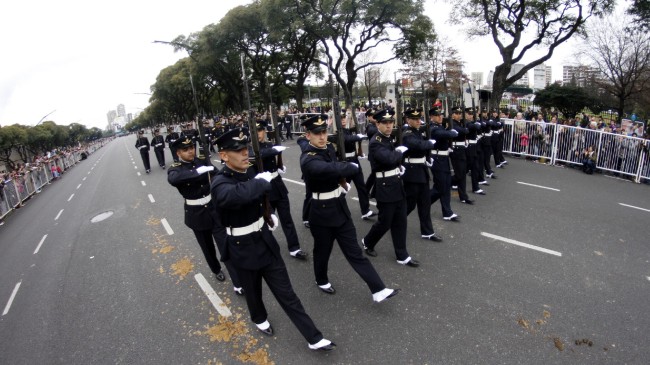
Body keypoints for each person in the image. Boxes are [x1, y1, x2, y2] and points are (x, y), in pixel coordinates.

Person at [211, 128, 335, 351]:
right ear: (224, 156)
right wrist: (260, 182)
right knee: (253, 292)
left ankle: (313, 337)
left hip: (264, 240)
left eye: (245, 149)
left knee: (287, 293)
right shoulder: (220, 181)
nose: (244, 154)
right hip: (241, 248)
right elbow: (235, 196)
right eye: (237, 151)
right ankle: (259, 319)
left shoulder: (250, 170)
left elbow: (261, 194)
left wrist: (267, 216)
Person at [299, 114, 399, 301]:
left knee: (354, 252)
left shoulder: (328, 147)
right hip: (321, 212)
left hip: (339, 207)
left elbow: (336, 167)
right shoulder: (308, 158)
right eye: (317, 133)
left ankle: (378, 290)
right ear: (308, 136)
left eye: (324, 132)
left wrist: (341, 182)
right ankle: (321, 279)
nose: (322, 136)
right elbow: (330, 169)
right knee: (322, 250)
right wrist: (347, 169)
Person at [167, 136, 243, 295]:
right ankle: (216, 269)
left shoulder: (203, 160)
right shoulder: (175, 168)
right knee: (207, 247)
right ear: (178, 153)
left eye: (192, 148)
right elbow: (173, 179)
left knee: (225, 245)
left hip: (213, 209)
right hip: (196, 214)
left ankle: (237, 282)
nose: (190, 151)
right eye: (186, 150)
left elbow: (216, 174)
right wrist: (197, 172)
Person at [361, 109, 420, 268]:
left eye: (390, 122)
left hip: (396, 183)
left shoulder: (387, 138)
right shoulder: (376, 142)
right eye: (385, 123)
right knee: (385, 222)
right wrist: (399, 153)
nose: (388, 126)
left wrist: (398, 168)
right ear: (377, 124)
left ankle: (402, 255)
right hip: (385, 187)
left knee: (401, 221)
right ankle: (368, 241)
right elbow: (387, 158)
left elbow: (392, 161)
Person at [252, 120, 308, 260]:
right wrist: (274, 150)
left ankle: (294, 248)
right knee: (268, 222)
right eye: (255, 131)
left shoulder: (270, 144)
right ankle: (268, 249)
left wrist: (279, 166)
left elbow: (273, 160)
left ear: (264, 131)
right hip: (264, 190)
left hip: (277, 186)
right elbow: (259, 155)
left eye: (260, 131)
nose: (258, 134)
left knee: (286, 219)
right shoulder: (250, 148)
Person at [401, 108, 443, 241]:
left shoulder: (418, 131)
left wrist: (427, 157)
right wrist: (428, 144)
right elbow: (415, 145)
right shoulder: (407, 133)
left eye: (419, 118)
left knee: (425, 204)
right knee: (410, 204)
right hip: (412, 172)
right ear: (408, 120)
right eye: (415, 119)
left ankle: (427, 232)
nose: (419, 121)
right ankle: (396, 223)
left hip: (422, 171)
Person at [339, 111, 376, 220]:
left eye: (344, 118)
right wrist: (358, 137)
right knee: (343, 188)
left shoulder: (347, 130)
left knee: (361, 187)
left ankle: (365, 210)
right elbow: (346, 139)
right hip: (345, 162)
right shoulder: (338, 132)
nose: (343, 120)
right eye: (341, 119)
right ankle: (336, 207)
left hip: (354, 160)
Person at [429, 108, 460, 221]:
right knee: (440, 187)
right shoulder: (432, 127)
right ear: (431, 117)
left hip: (444, 158)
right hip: (437, 159)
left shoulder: (440, 126)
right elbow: (440, 134)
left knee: (446, 186)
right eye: (437, 115)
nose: (440, 117)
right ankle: (425, 202)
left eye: (441, 115)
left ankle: (447, 212)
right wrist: (450, 132)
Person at [449, 107, 473, 204]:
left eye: (460, 113)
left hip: (462, 149)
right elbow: (464, 131)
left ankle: (463, 197)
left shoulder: (460, 123)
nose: (459, 115)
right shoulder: (452, 123)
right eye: (457, 113)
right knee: (460, 174)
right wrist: (465, 127)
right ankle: (445, 182)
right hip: (456, 150)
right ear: (452, 114)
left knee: (462, 174)